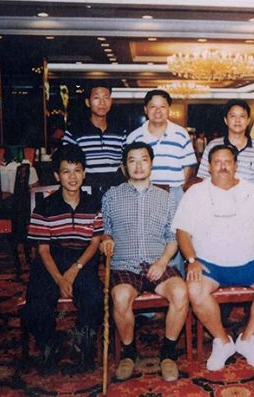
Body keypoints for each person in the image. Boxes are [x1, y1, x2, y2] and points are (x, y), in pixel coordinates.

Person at [173, 144, 254, 371]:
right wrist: (192, 260)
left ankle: (247, 339)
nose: (223, 167)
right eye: (217, 162)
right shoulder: (195, 193)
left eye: (227, 162)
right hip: (209, 265)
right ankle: (222, 341)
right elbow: (182, 232)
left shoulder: (252, 191)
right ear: (209, 166)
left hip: (249, 262)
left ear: (235, 165)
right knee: (195, 289)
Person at [100, 142, 189, 382]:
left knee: (181, 292)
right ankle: (129, 353)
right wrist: (106, 240)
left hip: (157, 263)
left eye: (144, 160)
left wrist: (162, 262)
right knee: (120, 296)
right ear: (124, 167)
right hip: (125, 265)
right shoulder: (111, 196)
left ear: (151, 164)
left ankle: (168, 353)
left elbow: (173, 238)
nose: (138, 166)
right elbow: (105, 231)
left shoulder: (166, 198)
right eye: (132, 160)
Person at [24, 144, 103, 374]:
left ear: (84, 173)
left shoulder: (94, 204)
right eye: (66, 171)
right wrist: (60, 278)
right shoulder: (45, 207)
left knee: (94, 298)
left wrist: (75, 269)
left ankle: (82, 341)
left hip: (83, 259)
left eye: (77, 170)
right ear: (57, 175)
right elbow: (43, 250)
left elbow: (95, 243)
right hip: (51, 260)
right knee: (37, 301)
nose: (72, 177)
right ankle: (49, 343)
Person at [126, 89, 197, 274]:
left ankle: (177, 277)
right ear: (145, 109)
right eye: (153, 107)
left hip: (174, 193)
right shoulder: (135, 136)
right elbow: (126, 166)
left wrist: (177, 187)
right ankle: (146, 275)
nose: (158, 111)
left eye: (162, 107)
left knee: (177, 235)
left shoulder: (180, 134)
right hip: (145, 194)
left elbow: (188, 166)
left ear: (169, 109)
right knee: (150, 235)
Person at [62, 83, 126, 199]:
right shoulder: (74, 132)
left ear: (111, 102)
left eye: (106, 98)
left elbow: (126, 163)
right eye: (96, 98)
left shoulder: (120, 131)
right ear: (88, 102)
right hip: (86, 194)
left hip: (117, 193)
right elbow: (67, 163)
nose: (102, 103)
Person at [197, 99, 254, 187]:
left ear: (248, 120)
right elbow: (204, 179)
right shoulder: (213, 146)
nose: (237, 120)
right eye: (233, 116)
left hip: (249, 195)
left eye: (242, 116)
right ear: (226, 120)